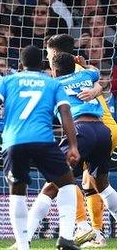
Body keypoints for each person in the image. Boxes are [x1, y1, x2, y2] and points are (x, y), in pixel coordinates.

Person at [0, 45, 81, 250]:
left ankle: (23, 245)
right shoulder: (52, 83)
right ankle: (66, 237)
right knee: (67, 183)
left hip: (14, 142)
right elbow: (65, 112)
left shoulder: (7, 80)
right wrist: (73, 145)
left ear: (21, 64)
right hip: (43, 141)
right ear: (42, 65)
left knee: (17, 192)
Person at [24, 34, 117, 248]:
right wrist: (93, 84)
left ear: (55, 61)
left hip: (81, 131)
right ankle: (89, 230)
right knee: (99, 183)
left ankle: (25, 237)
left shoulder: (54, 83)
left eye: (48, 55)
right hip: (103, 130)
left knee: (54, 184)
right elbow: (96, 75)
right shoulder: (86, 73)